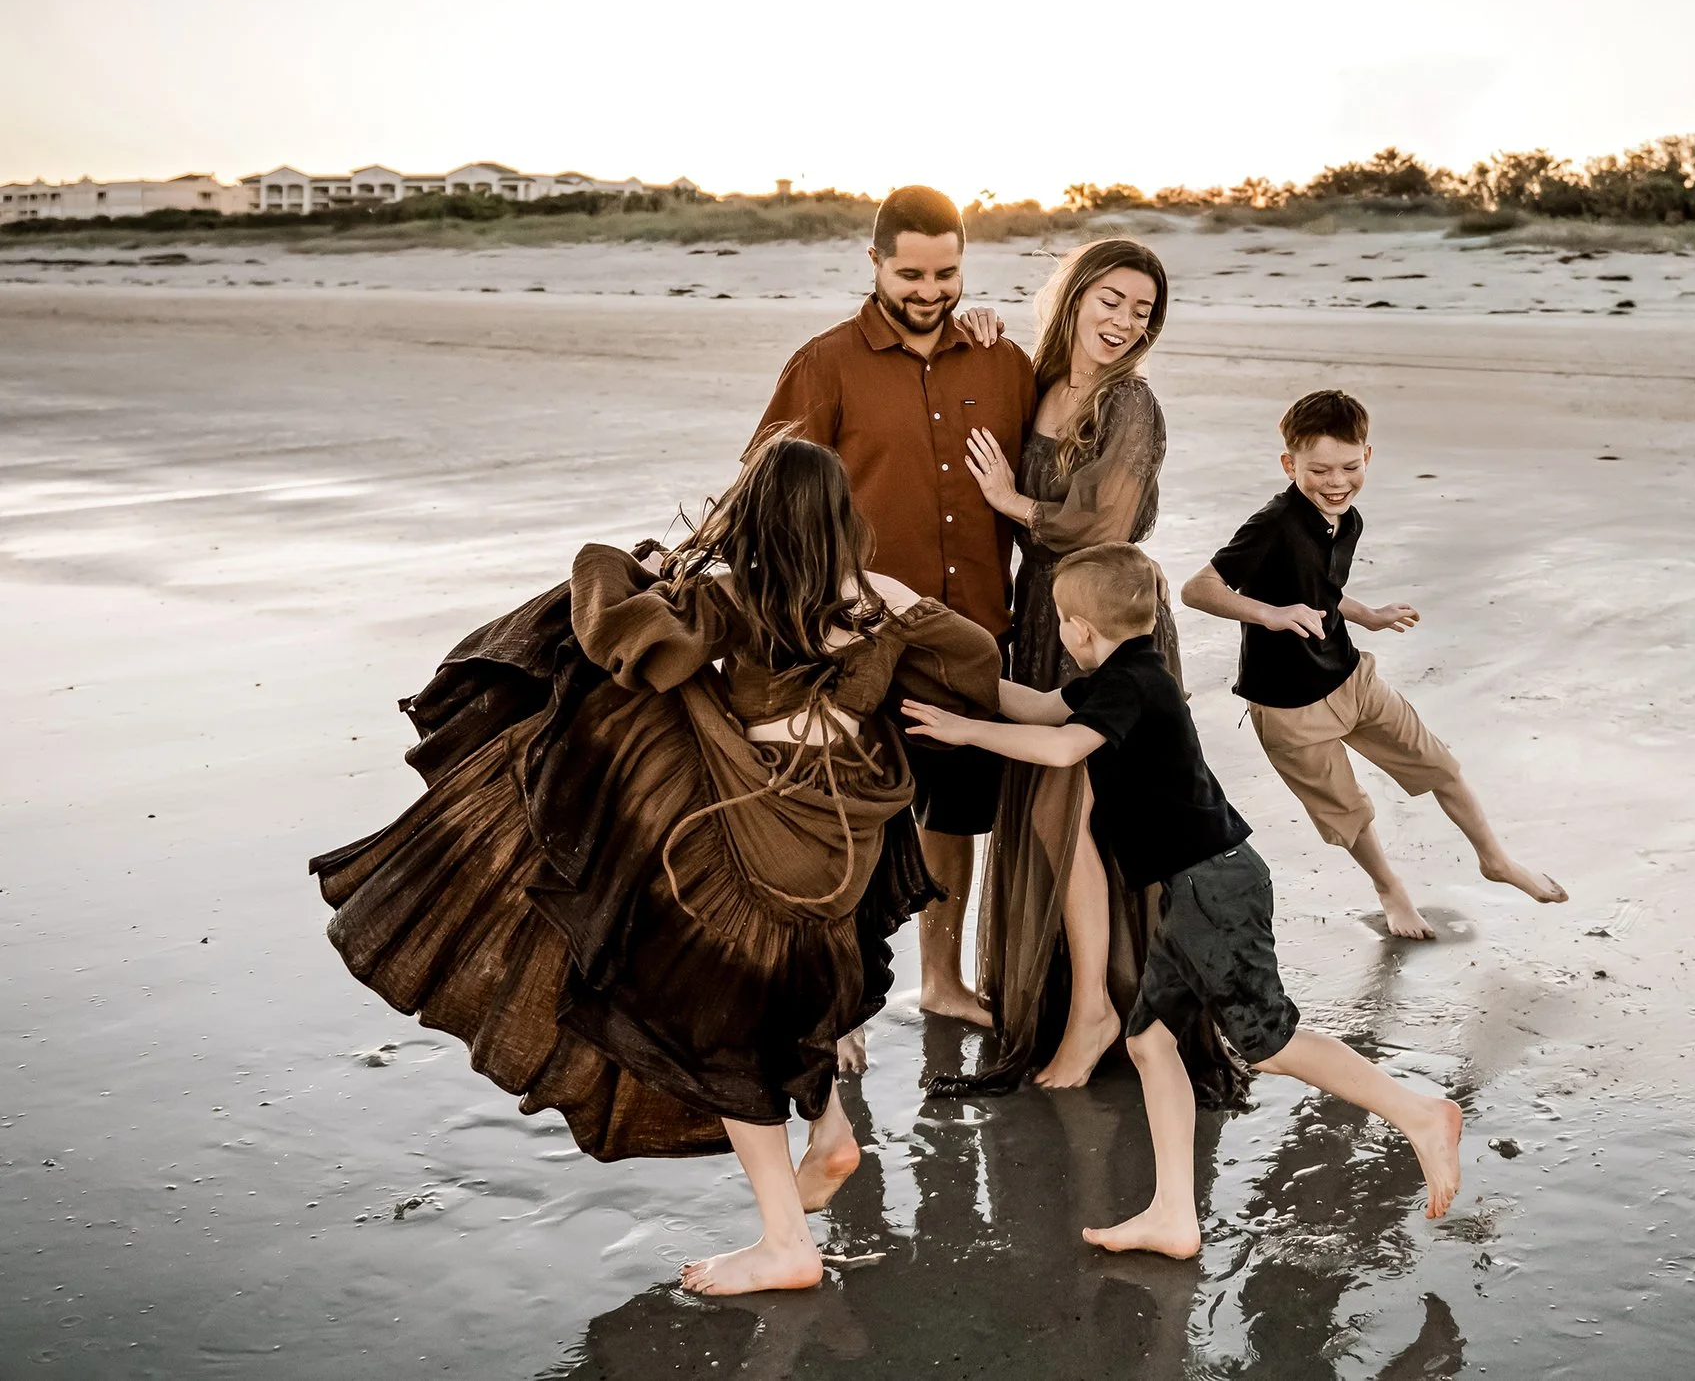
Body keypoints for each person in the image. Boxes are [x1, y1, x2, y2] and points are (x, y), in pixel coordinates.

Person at [310, 437, 1009, 1295]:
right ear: (842, 519)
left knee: (710, 1018)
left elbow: (635, 647)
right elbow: (977, 660)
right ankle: (829, 1139)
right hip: (843, 841)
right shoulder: (888, 601)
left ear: (754, 517)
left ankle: (786, 1245)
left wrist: (612, 564)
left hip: (754, 840)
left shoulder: (737, 595)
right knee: (787, 991)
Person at [902, 543, 1464, 1257]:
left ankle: (1420, 1114)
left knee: (1271, 1044)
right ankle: (1173, 1214)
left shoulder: (1133, 687)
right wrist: (957, 685)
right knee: (1149, 1040)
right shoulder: (1126, 673)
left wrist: (964, 731)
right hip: (1201, 884)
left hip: (1213, 885)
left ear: (1078, 630)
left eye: (1061, 624)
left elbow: (1062, 748)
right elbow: (1041, 706)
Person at [949, 238, 1231, 1096]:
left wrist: (1013, 503)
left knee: (1088, 818)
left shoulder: (1128, 403)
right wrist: (978, 327)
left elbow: (1104, 517)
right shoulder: (1036, 379)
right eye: (1110, 300)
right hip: (1044, 614)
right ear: (1072, 295)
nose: (1124, 323)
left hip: (1106, 621)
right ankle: (1076, 1003)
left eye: (1142, 311)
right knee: (1047, 815)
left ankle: (1100, 1012)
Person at [749, 185, 1034, 1031]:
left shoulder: (1002, 362)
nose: (929, 291)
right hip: (855, 647)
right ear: (873, 263)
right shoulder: (824, 363)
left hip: (971, 639)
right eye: (910, 273)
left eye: (947, 273)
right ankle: (837, 1010)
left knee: (954, 821)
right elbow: (769, 497)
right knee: (845, 826)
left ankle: (942, 981)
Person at [1180, 389, 1566, 940]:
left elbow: (1322, 589)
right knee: (1349, 813)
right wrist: (1268, 614)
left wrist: (1366, 615)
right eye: (1318, 470)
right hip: (1289, 707)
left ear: (1368, 457)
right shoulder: (1273, 524)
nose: (1336, 481)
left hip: (1350, 675)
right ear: (1290, 465)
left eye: (1349, 466)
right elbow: (1199, 589)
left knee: (1441, 765)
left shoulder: (1348, 519)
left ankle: (1495, 860)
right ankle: (1391, 890)